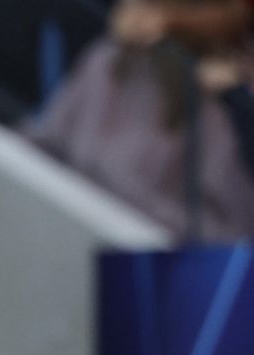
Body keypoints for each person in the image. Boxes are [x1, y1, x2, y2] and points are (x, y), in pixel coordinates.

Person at [26, 0, 254, 238]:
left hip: (138, 259)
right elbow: (47, 141)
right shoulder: (109, 59)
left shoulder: (222, 114)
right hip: (57, 231)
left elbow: (225, 239)